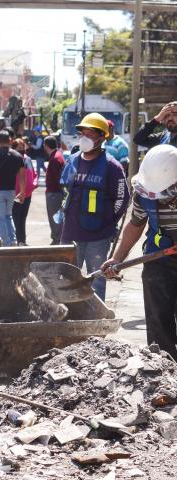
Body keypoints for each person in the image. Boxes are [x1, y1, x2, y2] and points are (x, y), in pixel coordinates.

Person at [101, 145, 177, 360]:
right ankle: (164, 366)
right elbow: (135, 224)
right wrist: (117, 257)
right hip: (159, 257)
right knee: (158, 320)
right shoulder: (144, 191)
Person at [58, 112, 129, 301]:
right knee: (64, 279)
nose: (85, 138)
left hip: (98, 236)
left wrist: (107, 221)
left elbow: (122, 199)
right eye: (83, 133)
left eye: (90, 134)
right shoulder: (72, 161)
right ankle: (67, 318)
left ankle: (96, 321)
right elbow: (64, 191)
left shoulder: (112, 167)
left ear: (101, 138)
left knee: (97, 280)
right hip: (70, 234)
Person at [12, 138, 37, 246]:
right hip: (16, 194)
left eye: (23, 147)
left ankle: (22, 241)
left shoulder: (28, 159)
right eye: (19, 147)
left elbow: (34, 174)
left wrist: (33, 185)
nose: (22, 149)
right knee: (15, 218)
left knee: (22, 218)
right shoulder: (12, 159)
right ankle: (15, 241)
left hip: (27, 195)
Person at [43, 136, 66, 245]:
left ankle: (57, 240)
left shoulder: (55, 159)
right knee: (56, 217)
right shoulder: (58, 156)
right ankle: (57, 238)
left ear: (46, 146)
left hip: (55, 193)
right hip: (56, 193)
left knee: (55, 218)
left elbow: (59, 179)